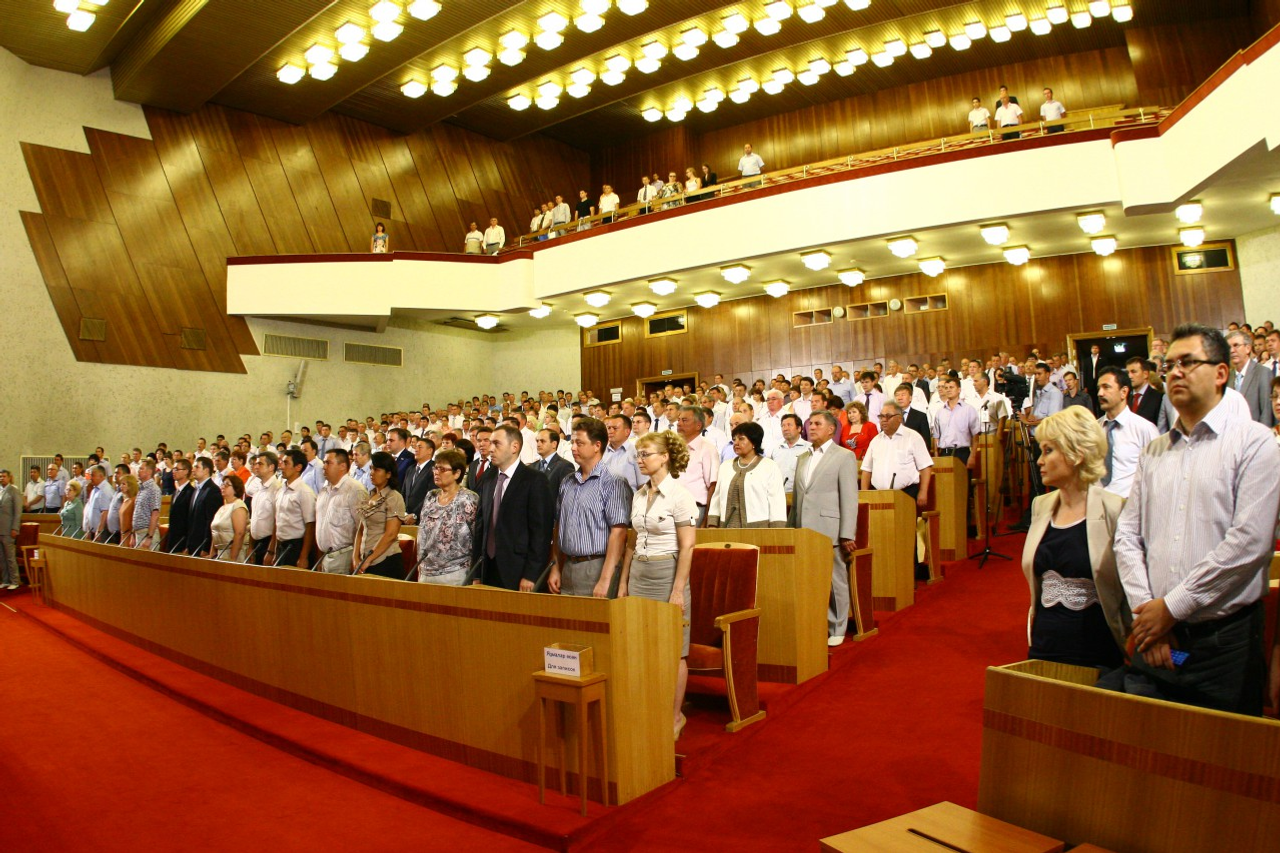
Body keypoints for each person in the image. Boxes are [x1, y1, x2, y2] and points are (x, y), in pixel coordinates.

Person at [1113, 324, 1280, 716]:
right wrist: (1149, 616)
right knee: (1150, 741)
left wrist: (1170, 608)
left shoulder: (1254, 442)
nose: (1174, 372)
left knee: (1222, 746)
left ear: (1221, 373)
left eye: (1187, 362)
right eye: (1169, 365)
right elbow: (1127, 536)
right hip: (1160, 641)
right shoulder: (1155, 451)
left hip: (1221, 642)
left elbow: (1249, 545)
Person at [1023, 407, 1129, 670]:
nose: (1039, 461)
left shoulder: (1114, 509)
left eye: (1048, 451)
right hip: (1043, 647)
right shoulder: (1040, 506)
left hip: (1096, 653)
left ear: (1076, 455)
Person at [619, 430, 697, 739]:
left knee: (674, 650)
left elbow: (687, 546)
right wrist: (624, 582)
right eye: (637, 455)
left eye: (645, 454)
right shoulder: (639, 494)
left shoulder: (680, 495)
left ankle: (675, 716)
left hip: (667, 574)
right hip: (640, 572)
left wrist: (677, 590)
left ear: (664, 457)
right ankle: (647, 710)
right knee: (641, 646)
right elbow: (631, 542)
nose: (639, 460)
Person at [790, 412, 860, 646]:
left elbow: (849, 497)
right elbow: (798, 497)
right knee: (809, 579)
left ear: (831, 429)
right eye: (810, 424)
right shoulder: (802, 457)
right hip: (804, 529)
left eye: (817, 424)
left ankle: (838, 626)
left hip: (830, 528)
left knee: (834, 580)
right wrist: (792, 528)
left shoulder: (844, 456)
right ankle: (817, 623)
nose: (811, 427)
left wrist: (847, 533)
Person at [550, 418, 631, 597]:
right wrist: (555, 567)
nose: (573, 448)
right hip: (567, 565)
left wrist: (605, 579)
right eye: (572, 442)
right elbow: (558, 527)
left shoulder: (613, 481)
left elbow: (618, 533)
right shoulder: (567, 481)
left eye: (579, 443)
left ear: (597, 446)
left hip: (596, 566)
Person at [473, 425, 553, 591]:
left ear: (514, 447)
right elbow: (481, 526)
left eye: (496, 443)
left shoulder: (534, 480)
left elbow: (541, 533)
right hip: (488, 567)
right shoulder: (488, 478)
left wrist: (531, 574)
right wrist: (476, 573)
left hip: (518, 569)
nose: (490, 448)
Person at [706, 421, 787, 529]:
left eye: (741, 439)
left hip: (758, 531)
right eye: (734, 439)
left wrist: (777, 530)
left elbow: (776, 501)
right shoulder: (725, 466)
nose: (736, 443)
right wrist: (712, 524)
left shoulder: (769, 466)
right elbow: (717, 498)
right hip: (727, 530)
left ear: (754, 442)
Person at [416, 448, 479, 585]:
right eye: (435, 468)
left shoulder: (468, 499)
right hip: (426, 570)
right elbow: (422, 531)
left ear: (457, 473)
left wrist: (476, 575)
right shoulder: (431, 496)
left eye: (442, 469)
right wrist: (419, 562)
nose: (436, 472)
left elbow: (477, 537)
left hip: (455, 572)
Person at [1095, 367, 1159, 500]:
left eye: (1106, 387)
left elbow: (1157, 474)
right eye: (1099, 388)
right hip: (1097, 504)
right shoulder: (1094, 429)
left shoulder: (1144, 429)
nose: (1100, 393)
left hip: (1129, 503)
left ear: (1123, 392)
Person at [353, 451, 408, 580]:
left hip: (385, 561)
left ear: (388, 474)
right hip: (364, 560)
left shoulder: (394, 497)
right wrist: (355, 557)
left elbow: (390, 534)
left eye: (377, 470)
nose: (372, 473)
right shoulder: (370, 495)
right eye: (371, 468)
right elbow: (361, 530)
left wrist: (369, 559)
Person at [314, 449, 367, 574]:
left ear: (342, 466)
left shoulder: (355, 489)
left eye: (328, 463)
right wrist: (319, 558)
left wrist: (356, 558)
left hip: (344, 556)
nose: (324, 466)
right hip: (324, 556)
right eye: (324, 462)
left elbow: (363, 527)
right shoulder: (324, 491)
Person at [273, 449, 317, 569]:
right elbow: (277, 521)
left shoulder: (304, 492)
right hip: (281, 544)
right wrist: (273, 550)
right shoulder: (281, 489)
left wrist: (303, 556)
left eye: (286, 463)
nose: (281, 467)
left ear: (298, 467)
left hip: (295, 546)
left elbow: (310, 525)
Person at [674, 405, 718, 525]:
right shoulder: (674, 447)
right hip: (671, 507)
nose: (679, 423)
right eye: (678, 420)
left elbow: (712, 485)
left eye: (684, 420)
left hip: (695, 508)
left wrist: (706, 519)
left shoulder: (708, 448)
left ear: (698, 425)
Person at [1226, 329, 1274, 426]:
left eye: (1236, 345)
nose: (1232, 350)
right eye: (1228, 347)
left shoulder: (1263, 372)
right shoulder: (1228, 377)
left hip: (1256, 432)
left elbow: (1266, 412)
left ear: (1248, 348)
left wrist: (1262, 434)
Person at [187, 458, 222, 557]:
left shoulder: (213, 490)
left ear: (206, 470)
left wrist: (206, 548)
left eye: (197, 467)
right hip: (192, 543)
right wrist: (188, 545)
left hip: (202, 544)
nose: (193, 469)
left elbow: (211, 521)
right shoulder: (196, 489)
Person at [210, 476, 249, 562]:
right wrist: (212, 553)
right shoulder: (222, 507)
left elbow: (239, 533)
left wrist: (232, 558)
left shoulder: (238, 506)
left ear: (236, 489)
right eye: (222, 484)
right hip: (220, 553)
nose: (223, 487)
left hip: (234, 553)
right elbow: (216, 531)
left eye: (227, 485)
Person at [770, 413, 810, 494]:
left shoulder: (809, 448)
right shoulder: (776, 449)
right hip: (778, 494)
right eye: (783, 426)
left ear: (799, 428)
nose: (785, 429)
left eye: (789, 425)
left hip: (800, 495)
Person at [401, 436, 437, 523]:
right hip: (406, 518)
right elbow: (404, 492)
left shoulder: (434, 469)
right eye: (416, 447)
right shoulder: (411, 469)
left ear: (430, 450)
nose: (416, 449)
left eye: (420, 447)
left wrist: (415, 515)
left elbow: (432, 496)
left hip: (424, 519)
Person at [132, 458, 162, 550]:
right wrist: (133, 534)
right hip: (139, 533)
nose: (138, 471)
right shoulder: (141, 488)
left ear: (149, 472)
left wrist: (149, 537)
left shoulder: (153, 489)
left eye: (141, 469)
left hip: (147, 533)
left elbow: (155, 514)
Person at [533, 428, 575, 494]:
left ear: (554, 444)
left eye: (542, 441)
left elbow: (567, 494)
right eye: (537, 441)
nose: (538, 444)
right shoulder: (532, 466)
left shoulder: (565, 466)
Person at [1125, 357, 1163, 425]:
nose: (1129, 376)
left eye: (1133, 372)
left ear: (1145, 374)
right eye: (1128, 372)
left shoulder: (1159, 398)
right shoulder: (1125, 398)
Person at [161, 460, 189, 552]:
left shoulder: (190, 492)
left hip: (183, 540)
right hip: (172, 537)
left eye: (176, 469)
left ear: (186, 471)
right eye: (173, 469)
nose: (173, 472)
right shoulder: (176, 492)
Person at [0, 471, 21, 590]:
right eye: (0, 476)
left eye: (4, 476)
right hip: (0, 529)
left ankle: (15, 580)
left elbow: (18, 512)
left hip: (9, 529)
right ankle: (5, 580)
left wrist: (15, 528)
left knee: (10, 556)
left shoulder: (14, 491)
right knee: (1, 557)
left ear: (9, 478)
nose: (1, 478)